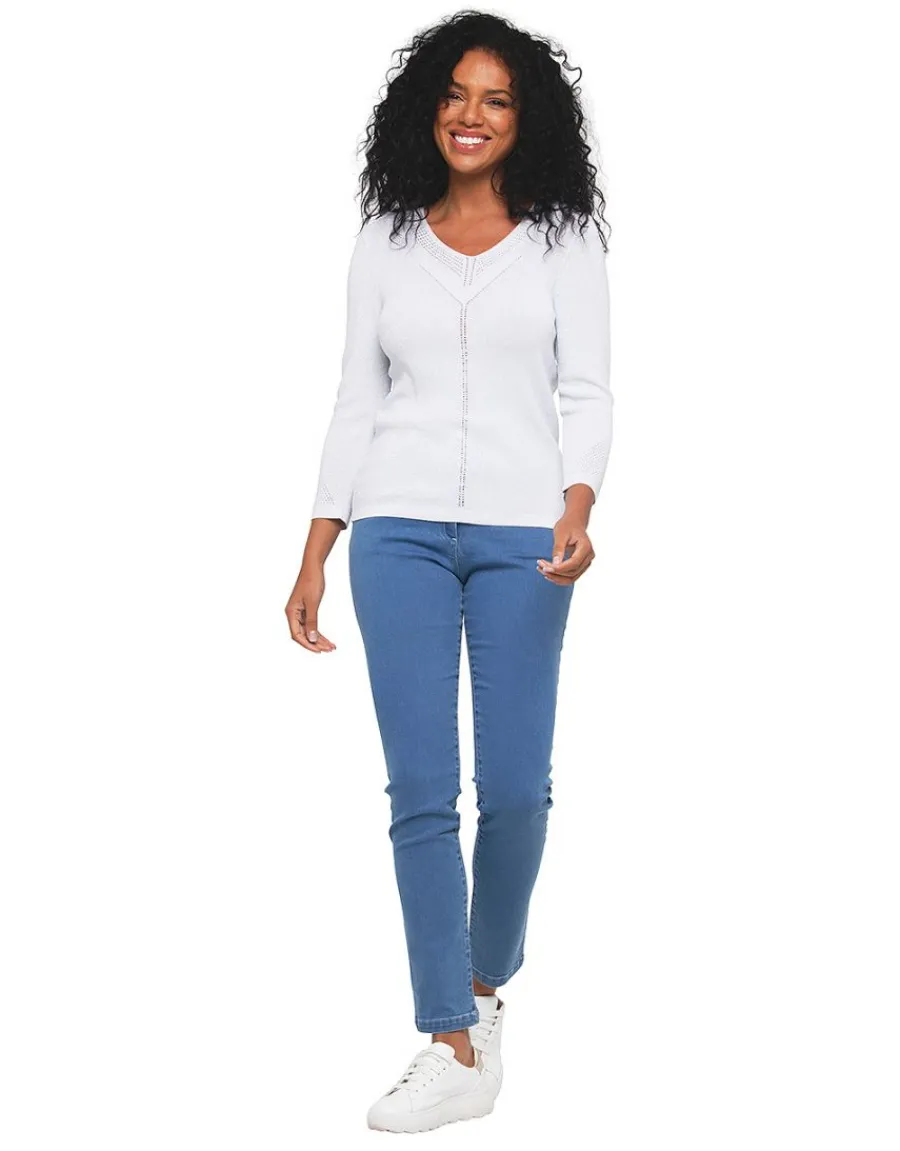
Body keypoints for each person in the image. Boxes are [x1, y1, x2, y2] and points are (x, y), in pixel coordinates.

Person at [285, 11, 612, 1134]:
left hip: (526, 534)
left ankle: (483, 981)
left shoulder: (564, 238)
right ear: (428, 105)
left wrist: (578, 507)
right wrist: (318, 544)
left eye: (498, 99)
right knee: (421, 792)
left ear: (527, 119)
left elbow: (588, 390)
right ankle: (451, 1039)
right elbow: (356, 395)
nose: (472, 115)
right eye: (457, 94)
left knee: (516, 789)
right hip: (397, 531)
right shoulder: (386, 236)